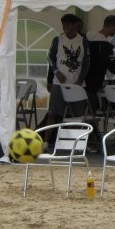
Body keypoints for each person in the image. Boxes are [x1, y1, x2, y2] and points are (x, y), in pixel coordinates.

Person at [45, 13, 90, 142]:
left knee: (78, 116)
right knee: (53, 113)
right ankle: (46, 141)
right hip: (58, 83)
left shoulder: (82, 41)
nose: (66, 28)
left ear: (75, 26)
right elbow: (50, 57)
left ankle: (77, 142)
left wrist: (80, 79)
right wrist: (56, 71)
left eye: (69, 25)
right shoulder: (58, 40)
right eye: (64, 26)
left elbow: (87, 62)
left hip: (76, 84)